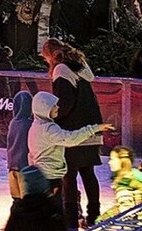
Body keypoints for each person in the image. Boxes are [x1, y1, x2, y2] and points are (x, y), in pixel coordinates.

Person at [41, 38, 105, 231]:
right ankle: (93, 215)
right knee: (88, 172)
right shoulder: (79, 66)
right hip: (92, 126)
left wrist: (53, 118)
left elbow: (65, 102)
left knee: (69, 176)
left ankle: (70, 221)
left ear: (50, 55)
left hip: (73, 131)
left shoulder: (61, 70)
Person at [27, 91, 114, 219]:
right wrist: (94, 128)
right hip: (50, 176)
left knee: (48, 207)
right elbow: (70, 139)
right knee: (53, 209)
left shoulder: (36, 126)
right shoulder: (49, 129)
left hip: (42, 173)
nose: (58, 108)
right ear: (44, 108)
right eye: (54, 106)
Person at [100, 146, 142, 221]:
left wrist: (104, 218)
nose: (109, 162)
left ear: (122, 161)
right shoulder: (123, 179)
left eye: (112, 159)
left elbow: (127, 210)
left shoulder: (127, 182)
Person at [6, 91, 34, 201]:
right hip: (25, 167)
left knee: (16, 199)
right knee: (27, 200)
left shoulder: (13, 122)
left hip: (12, 166)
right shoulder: (29, 124)